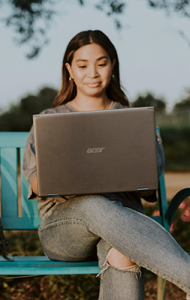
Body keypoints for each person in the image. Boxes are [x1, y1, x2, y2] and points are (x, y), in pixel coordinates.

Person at [22, 30, 190, 300]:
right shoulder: (50, 120)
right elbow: (35, 183)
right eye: (82, 65)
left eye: (101, 63)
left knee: (123, 255)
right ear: (69, 70)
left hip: (124, 228)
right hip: (64, 230)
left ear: (112, 65)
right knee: (93, 204)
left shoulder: (133, 120)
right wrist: (69, 174)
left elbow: (148, 191)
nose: (93, 73)